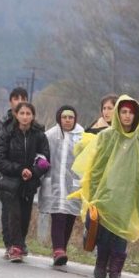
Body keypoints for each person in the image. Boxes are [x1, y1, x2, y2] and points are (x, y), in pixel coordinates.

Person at [72, 96, 139, 278]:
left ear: (136, 115)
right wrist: (93, 193)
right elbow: (97, 166)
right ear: (118, 114)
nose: (127, 116)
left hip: (129, 194)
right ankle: (101, 261)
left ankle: (115, 269)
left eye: (131, 112)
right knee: (104, 231)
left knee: (122, 232)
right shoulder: (107, 136)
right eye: (124, 112)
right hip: (107, 192)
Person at [0, 102, 50, 262]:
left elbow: (45, 160)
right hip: (9, 182)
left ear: (33, 116)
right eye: (22, 113)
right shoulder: (7, 134)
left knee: (24, 216)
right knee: (14, 213)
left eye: (28, 113)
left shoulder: (39, 135)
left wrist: (33, 172)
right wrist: (19, 170)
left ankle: (17, 245)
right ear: (16, 115)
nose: (25, 116)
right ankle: (14, 247)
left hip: (29, 183)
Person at [39, 105, 85, 266]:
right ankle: (58, 250)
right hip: (55, 184)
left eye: (70, 117)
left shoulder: (82, 137)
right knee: (58, 215)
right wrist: (41, 162)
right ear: (59, 118)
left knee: (69, 218)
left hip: (73, 185)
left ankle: (61, 250)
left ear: (75, 119)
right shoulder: (50, 135)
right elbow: (40, 152)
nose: (67, 120)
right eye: (64, 117)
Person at [0, 87, 29, 257]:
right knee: (8, 210)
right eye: (16, 98)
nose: (19, 101)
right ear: (11, 101)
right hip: (6, 172)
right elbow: (1, 147)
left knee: (24, 211)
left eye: (23, 98)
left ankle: (19, 243)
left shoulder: (30, 121)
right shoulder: (4, 122)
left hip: (25, 174)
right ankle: (10, 244)